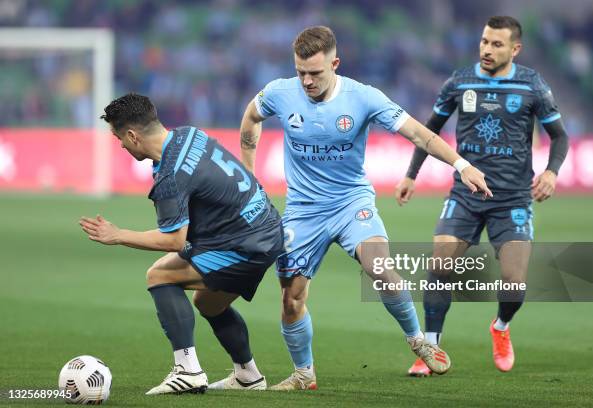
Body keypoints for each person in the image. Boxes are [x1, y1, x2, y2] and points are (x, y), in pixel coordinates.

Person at [239, 26, 492, 390]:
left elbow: (421, 134)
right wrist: (248, 175)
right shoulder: (280, 93)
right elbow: (251, 117)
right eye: (300, 72)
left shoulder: (364, 98)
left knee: (380, 267)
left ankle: (417, 339)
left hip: (350, 202)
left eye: (315, 72)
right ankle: (303, 374)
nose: (307, 81)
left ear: (335, 64)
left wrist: (462, 165)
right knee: (291, 297)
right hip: (303, 210)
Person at [395, 16, 569, 375]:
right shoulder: (460, 82)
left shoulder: (532, 85)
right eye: (484, 42)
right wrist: (411, 174)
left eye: (497, 44)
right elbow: (430, 132)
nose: (487, 49)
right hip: (466, 192)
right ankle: (431, 349)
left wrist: (551, 171)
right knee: (441, 264)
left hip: (513, 198)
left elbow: (560, 136)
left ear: (515, 49)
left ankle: (501, 327)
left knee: (514, 284)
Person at [79, 93, 284, 393]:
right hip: (265, 227)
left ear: (133, 135)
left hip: (246, 244)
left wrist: (118, 234)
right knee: (208, 301)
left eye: (119, 137)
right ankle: (248, 376)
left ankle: (187, 370)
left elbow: (174, 240)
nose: (120, 145)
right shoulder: (189, 134)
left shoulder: (170, 175)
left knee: (159, 275)